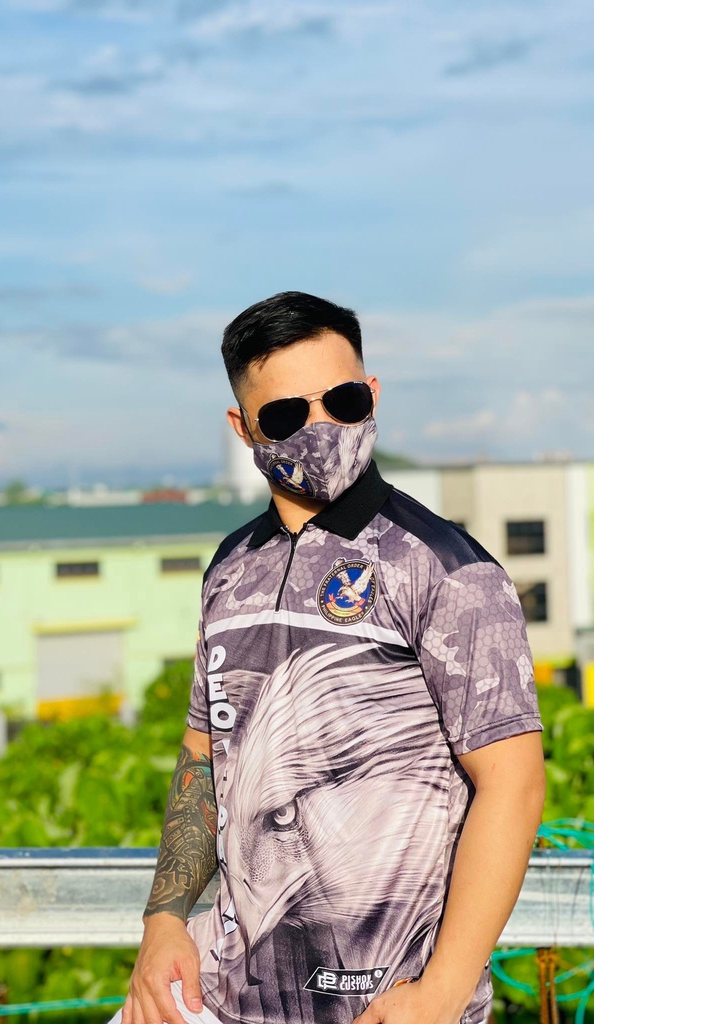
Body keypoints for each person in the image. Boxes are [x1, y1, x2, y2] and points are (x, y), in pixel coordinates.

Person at [114, 291, 546, 1024]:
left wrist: (443, 992)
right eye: (287, 415)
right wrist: (163, 922)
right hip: (228, 997)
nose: (321, 429)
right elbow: (205, 754)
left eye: (342, 402)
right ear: (243, 427)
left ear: (371, 394)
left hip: (391, 1007)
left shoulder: (446, 568)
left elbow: (513, 782)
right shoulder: (231, 568)